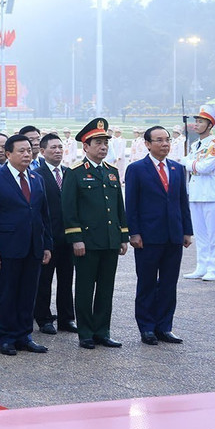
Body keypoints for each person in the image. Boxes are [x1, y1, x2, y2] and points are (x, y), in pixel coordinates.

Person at [0, 135, 52, 356]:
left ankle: (24, 336)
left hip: (33, 246)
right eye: (21, 151)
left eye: (29, 150)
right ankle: (6, 338)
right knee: (7, 294)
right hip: (7, 247)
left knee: (28, 294)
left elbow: (43, 215)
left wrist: (47, 244)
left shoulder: (36, 178)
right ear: (8, 154)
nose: (27, 154)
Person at [61, 118, 129, 349]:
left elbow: (119, 207)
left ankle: (102, 331)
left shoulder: (111, 172)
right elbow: (69, 209)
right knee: (85, 288)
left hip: (109, 240)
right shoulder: (76, 172)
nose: (103, 147)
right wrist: (76, 239)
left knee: (106, 289)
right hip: (87, 242)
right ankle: (86, 333)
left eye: (105, 143)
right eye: (98, 143)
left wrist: (123, 236)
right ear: (86, 146)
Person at [125, 126, 192, 345]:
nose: (165, 144)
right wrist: (133, 233)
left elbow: (182, 201)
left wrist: (187, 231)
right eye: (159, 140)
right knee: (147, 284)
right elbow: (131, 204)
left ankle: (164, 327)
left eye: (167, 140)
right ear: (147, 144)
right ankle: (147, 328)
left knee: (168, 284)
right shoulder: (136, 169)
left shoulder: (177, 168)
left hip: (173, 235)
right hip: (148, 237)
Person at [33, 133, 76, 334]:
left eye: (60, 147)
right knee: (44, 281)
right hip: (47, 237)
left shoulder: (69, 173)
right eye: (53, 148)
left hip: (68, 237)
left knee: (66, 280)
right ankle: (44, 319)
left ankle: (67, 319)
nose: (58, 151)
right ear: (42, 151)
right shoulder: (37, 175)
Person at [180, 105, 215, 281]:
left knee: (213, 234)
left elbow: (206, 167)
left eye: (200, 122)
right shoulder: (194, 145)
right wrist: (191, 163)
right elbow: (192, 164)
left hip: (210, 193)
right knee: (200, 234)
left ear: (210, 125)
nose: (196, 124)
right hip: (195, 192)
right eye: (196, 121)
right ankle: (201, 266)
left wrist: (188, 163)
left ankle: (213, 268)